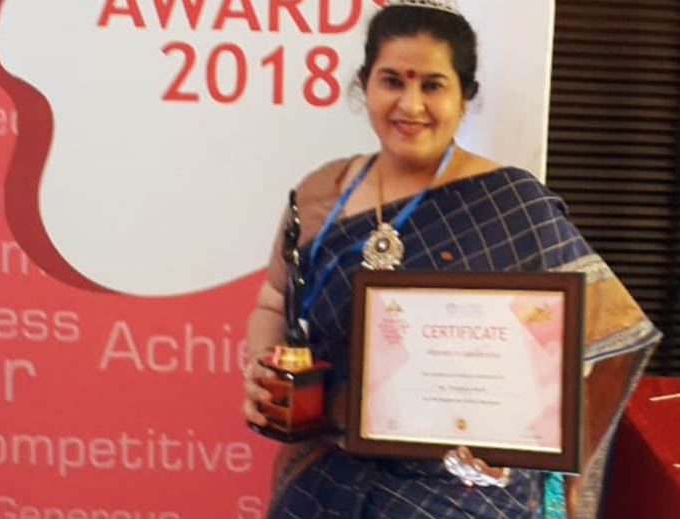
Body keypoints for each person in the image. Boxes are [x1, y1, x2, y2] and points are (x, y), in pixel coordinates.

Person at [243, 1, 661, 518]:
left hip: (462, 493)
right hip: (324, 482)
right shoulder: (320, 193)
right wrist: (261, 367)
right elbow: (274, 299)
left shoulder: (512, 206)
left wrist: (529, 444)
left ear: (465, 97)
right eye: (392, 81)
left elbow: (612, 338)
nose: (410, 104)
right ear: (365, 85)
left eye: (433, 85)